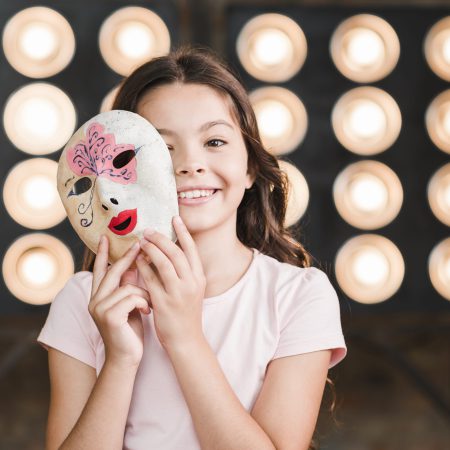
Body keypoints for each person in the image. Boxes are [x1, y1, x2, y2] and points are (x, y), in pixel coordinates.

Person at [37, 45, 347, 450]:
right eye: (161, 149)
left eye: (215, 141)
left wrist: (184, 337)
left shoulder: (298, 296)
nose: (189, 164)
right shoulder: (85, 302)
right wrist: (120, 360)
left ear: (251, 166)